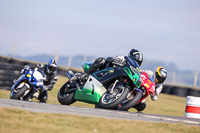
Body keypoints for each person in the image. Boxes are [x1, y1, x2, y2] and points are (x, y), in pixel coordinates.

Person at [77, 49, 143, 81]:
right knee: (102, 60)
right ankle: (85, 74)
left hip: (114, 81)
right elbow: (110, 59)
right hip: (105, 72)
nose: (135, 62)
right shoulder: (123, 59)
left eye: (137, 61)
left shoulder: (137, 74)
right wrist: (114, 60)